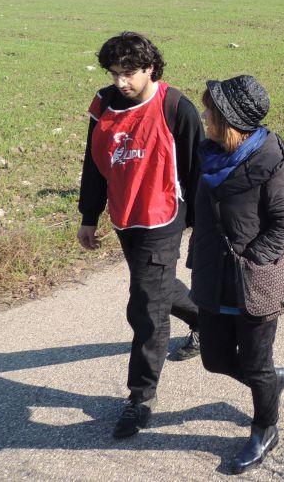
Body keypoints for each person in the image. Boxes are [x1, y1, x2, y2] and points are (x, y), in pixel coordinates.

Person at [77, 32, 202, 439]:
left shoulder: (174, 106)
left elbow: (197, 170)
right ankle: (205, 320)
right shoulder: (103, 103)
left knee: (146, 307)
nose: (120, 82)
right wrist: (89, 215)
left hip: (162, 217)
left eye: (128, 74)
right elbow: (93, 163)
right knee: (156, 287)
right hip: (124, 216)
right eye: (114, 73)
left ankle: (140, 397)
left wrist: (200, 224)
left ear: (150, 68)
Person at [190, 75, 284, 474]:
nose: (204, 114)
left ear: (231, 121)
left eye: (211, 110)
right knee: (215, 358)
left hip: (253, 281)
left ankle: (265, 427)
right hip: (210, 274)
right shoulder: (210, 155)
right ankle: (273, 381)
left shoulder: (272, 164)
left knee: (256, 366)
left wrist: (251, 261)